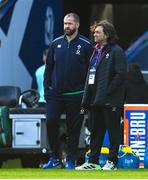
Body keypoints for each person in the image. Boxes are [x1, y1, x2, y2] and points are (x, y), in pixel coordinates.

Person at [42, 12, 93, 169]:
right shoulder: (55, 43)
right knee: (50, 121)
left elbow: (91, 70)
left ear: (77, 25)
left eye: (70, 23)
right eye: (65, 23)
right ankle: (55, 158)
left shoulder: (86, 44)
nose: (67, 26)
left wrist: (87, 93)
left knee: (74, 128)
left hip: (76, 95)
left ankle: (71, 159)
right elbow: (48, 67)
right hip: (55, 95)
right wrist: (47, 90)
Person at [75, 20, 127, 170]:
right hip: (95, 100)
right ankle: (93, 162)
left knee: (113, 132)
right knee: (96, 133)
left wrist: (108, 91)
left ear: (107, 34)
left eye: (98, 32)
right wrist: (87, 98)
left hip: (110, 101)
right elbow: (89, 77)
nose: (94, 34)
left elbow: (121, 74)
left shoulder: (117, 51)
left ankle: (112, 162)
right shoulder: (95, 51)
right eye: (94, 32)